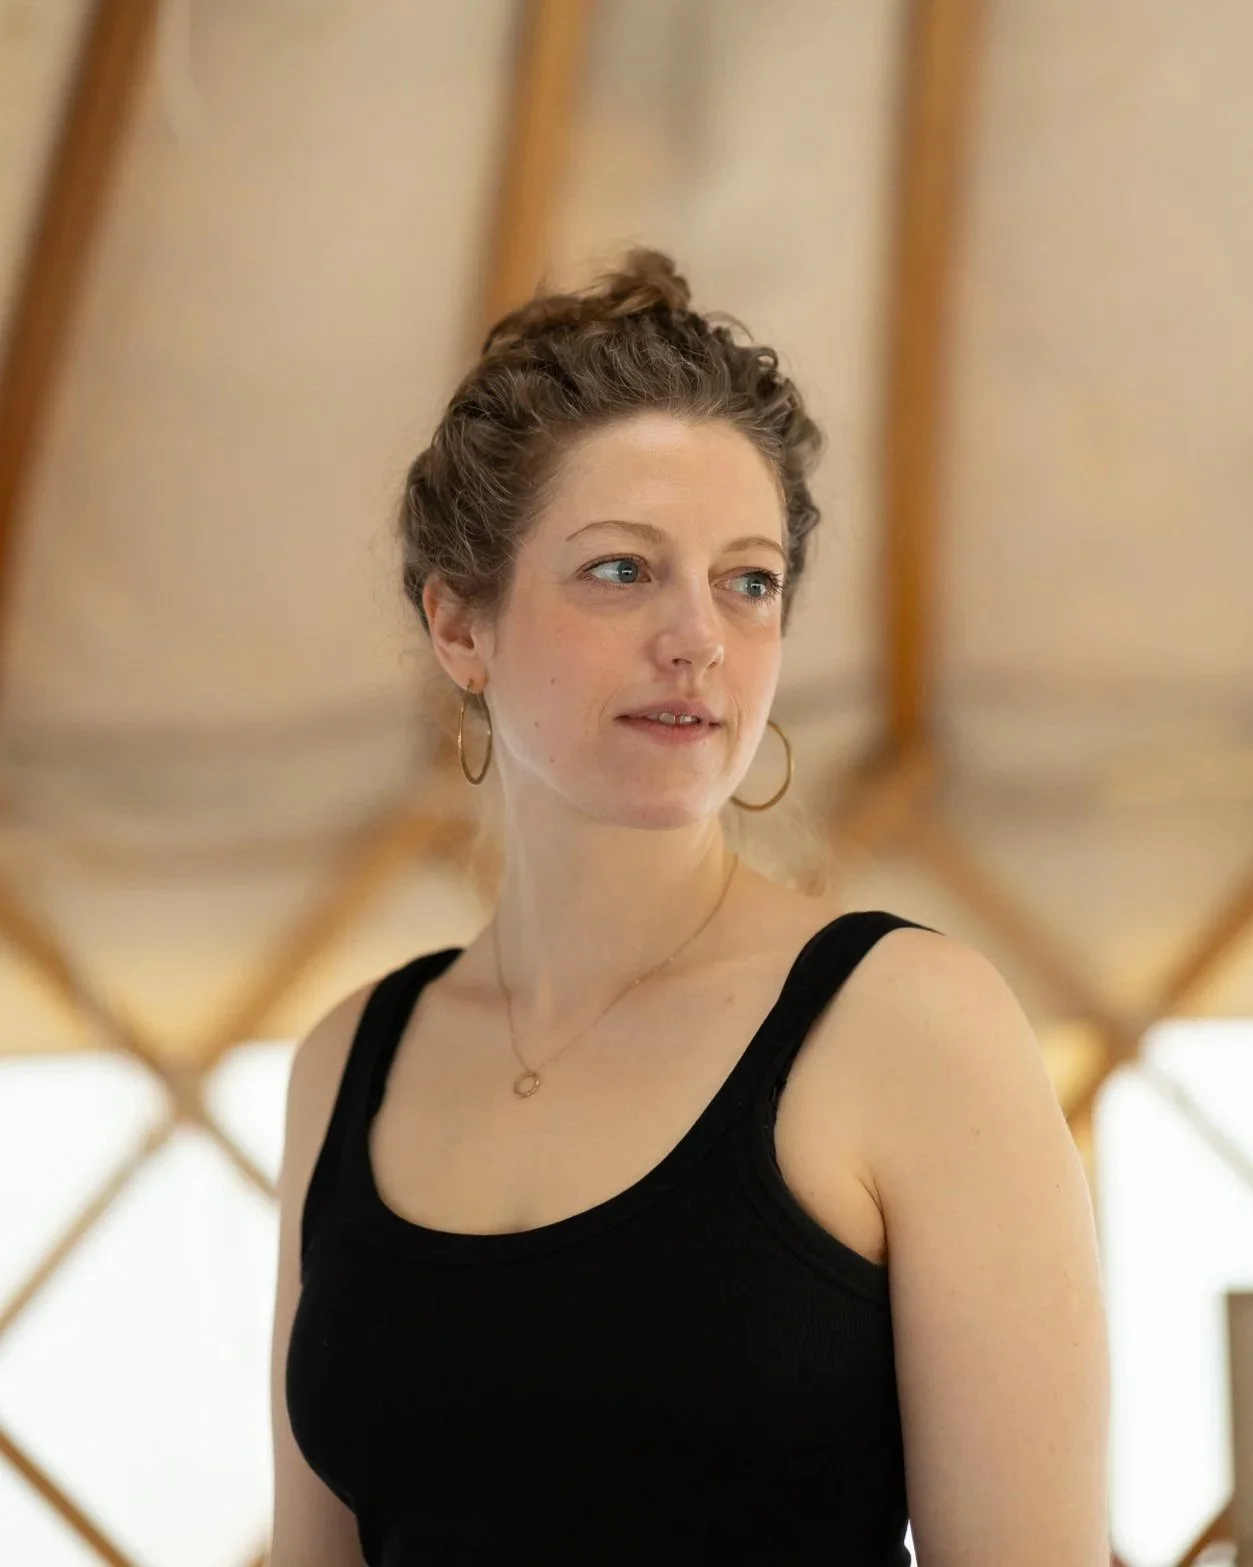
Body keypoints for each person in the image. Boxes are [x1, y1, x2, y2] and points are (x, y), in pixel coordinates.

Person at [267, 250, 1111, 1565]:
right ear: (459, 624)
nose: (699, 638)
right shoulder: (347, 1060)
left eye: (749, 579)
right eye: (621, 569)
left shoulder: (908, 1028)